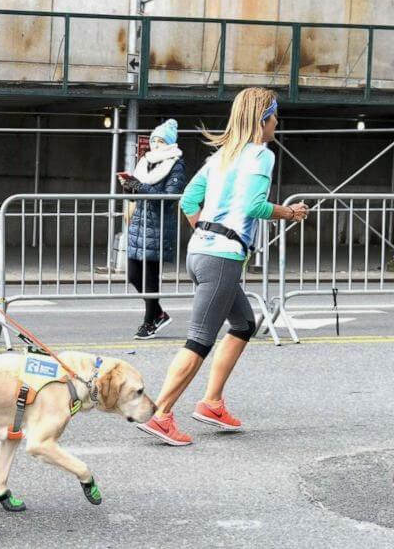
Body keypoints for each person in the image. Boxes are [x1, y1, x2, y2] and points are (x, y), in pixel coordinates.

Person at [137, 88, 309, 446]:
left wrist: (204, 231)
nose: (278, 122)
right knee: (199, 340)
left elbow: (188, 200)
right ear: (264, 118)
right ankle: (161, 414)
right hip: (222, 258)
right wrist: (290, 213)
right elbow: (254, 206)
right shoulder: (261, 155)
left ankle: (212, 402)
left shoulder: (221, 157)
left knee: (245, 324)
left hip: (201, 252)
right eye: (276, 115)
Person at [119, 118, 188, 340]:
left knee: (150, 277)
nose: (155, 144)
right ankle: (158, 313)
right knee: (133, 274)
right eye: (153, 140)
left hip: (159, 227)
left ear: (169, 142)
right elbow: (136, 196)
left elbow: (169, 198)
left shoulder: (176, 164)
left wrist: (141, 187)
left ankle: (149, 321)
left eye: (160, 140)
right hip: (139, 225)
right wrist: (129, 187)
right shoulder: (145, 162)